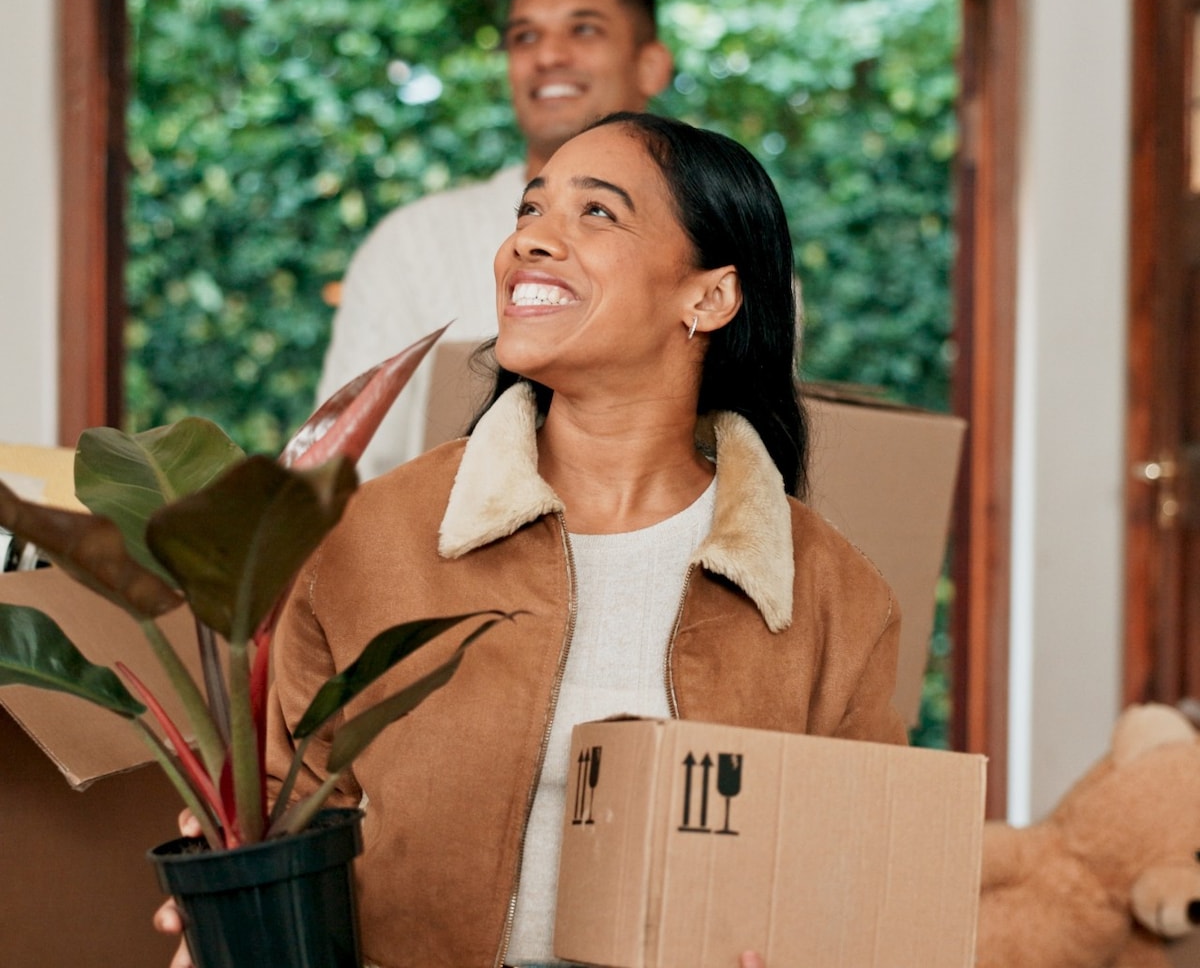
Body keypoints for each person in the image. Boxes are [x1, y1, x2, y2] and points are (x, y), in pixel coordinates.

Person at [157, 112, 906, 967]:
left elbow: (859, 881)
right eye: (529, 210)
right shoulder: (367, 539)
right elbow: (281, 819)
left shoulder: (830, 596)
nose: (531, 242)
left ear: (709, 296)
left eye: (597, 213)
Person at [316, 0, 673, 480]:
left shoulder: (721, 244)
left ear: (650, 64)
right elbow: (340, 470)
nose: (548, 55)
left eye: (583, 30)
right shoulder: (410, 242)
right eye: (525, 36)